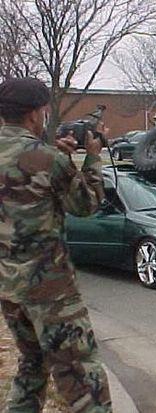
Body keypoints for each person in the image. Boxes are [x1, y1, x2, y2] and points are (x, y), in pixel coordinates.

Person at [0, 78, 112, 412]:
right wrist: (92, 159)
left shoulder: (45, 156)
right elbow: (86, 205)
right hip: (50, 290)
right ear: (36, 114)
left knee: (32, 363)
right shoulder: (48, 159)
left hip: (7, 287)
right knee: (80, 373)